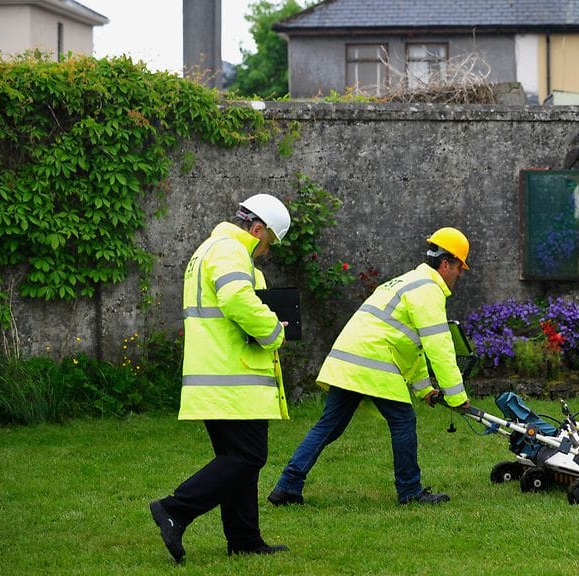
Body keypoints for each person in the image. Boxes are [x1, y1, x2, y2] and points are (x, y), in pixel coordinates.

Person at [267, 227, 472, 507]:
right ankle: (410, 491)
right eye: (460, 267)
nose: (460, 275)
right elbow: (439, 347)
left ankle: (287, 487)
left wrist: (424, 389)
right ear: (446, 263)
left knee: (329, 426)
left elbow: (410, 345)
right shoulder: (428, 291)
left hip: (348, 360)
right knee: (402, 420)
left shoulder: (404, 282)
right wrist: (457, 396)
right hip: (373, 362)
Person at [149, 193, 292, 562]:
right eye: (269, 242)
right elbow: (236, 300)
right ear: (257, 229)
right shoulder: (230, 250)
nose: (266, 251)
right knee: (248, 456)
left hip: (217, 376)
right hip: (234, 376)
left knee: (235, 458)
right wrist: (274, 331)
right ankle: (174, 509)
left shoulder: (209, 249)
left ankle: (244, 539)